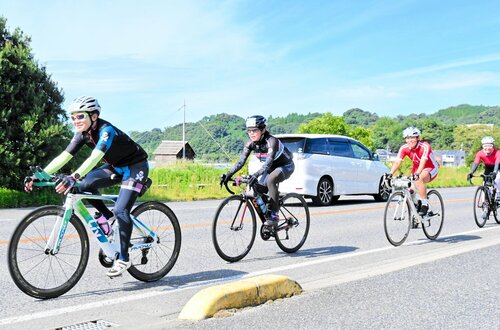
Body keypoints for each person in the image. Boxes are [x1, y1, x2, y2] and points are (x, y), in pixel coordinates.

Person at [24, 96, 149, 277]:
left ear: (94, 116)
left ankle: (123, 257)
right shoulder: (82, 134)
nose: (76, 121)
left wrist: (73, 176)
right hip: (115, 166)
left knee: (122, 210)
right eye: (73, 117)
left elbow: (94, 158)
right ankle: (106, 216)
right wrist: (38, 176)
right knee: (84, 185)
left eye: (80, 116)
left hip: (135, 166)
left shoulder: (107, 131)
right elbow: (64, 156)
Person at [221, 115, 294, 226]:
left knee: (271, 180)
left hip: (285, 166)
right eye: (249, 131)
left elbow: (267, 164)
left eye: (254, 130)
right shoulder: (250, 144)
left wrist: (255, 174)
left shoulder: (272, 141)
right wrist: (228, 174)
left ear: (263, 130)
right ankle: (269, 208)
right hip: (270, 168)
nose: (251, 133)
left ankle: (274, 214)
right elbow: (240, 162)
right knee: (257, 187)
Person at [389, 126, 439, 216]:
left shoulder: (425, 146)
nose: (410, 140)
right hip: (416, 169)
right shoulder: (404, 148)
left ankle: (424, 204)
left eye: (412, 137)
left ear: (418, 138)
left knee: (418, 179)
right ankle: (416, 207)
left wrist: (417, 174)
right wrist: (390, 174)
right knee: (410, 189)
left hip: (430, 167)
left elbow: (423, 161)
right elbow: (397, 162)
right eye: (407, 138)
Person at [467, 136, 500, 201]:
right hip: (488, 168)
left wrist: (495, 172)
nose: (487, 148)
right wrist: (471, 173)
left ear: (493, 146)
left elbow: (497, 163)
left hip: (498, 167)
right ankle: (486, 202)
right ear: (482, 146)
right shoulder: (480, 153)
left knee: (497, 179)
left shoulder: (497, 152)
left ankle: (498, 194)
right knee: (485, 183)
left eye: (489, 145)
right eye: (485, 145)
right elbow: (476, 163)